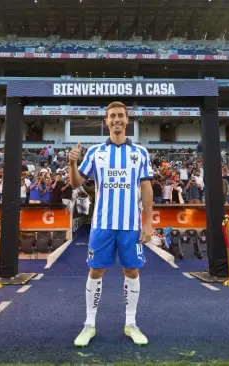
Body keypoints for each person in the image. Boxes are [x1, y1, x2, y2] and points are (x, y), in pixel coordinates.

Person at [69, 101, 153, 347]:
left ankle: (131, 324)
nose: (116, 119)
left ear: (127, 120)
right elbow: (75, 184)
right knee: (96, 271)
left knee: (132, 271)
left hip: (130, 225)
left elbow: (146, 188)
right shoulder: (96, 152)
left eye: (120, 116)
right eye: (112, 116)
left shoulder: (140, 152)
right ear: (106, 121)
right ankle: (89, 325)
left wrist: (147, 224)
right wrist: (72, 162)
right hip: (102, 223)